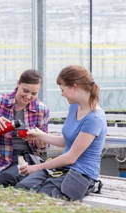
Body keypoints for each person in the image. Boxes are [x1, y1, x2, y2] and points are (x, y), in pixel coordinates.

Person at [16, 65, 107, 201]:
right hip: (63, 168)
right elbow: (67, 140)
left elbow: (71, 157)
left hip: (81, 174)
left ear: (74, 87)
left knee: (44, 197)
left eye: (63, 89)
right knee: (22, 188)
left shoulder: (94, 118)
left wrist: (35, 168)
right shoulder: (74, 107)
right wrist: (41, 135)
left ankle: (92, 185)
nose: (62, 94)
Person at [0, 69, 50, 187]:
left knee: (5, 180)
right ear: (18, 84)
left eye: (34, 93)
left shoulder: (41, 110)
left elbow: (42, 151)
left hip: (25, 161)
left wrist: (41, 142)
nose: (28, 96)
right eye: (25, 91)